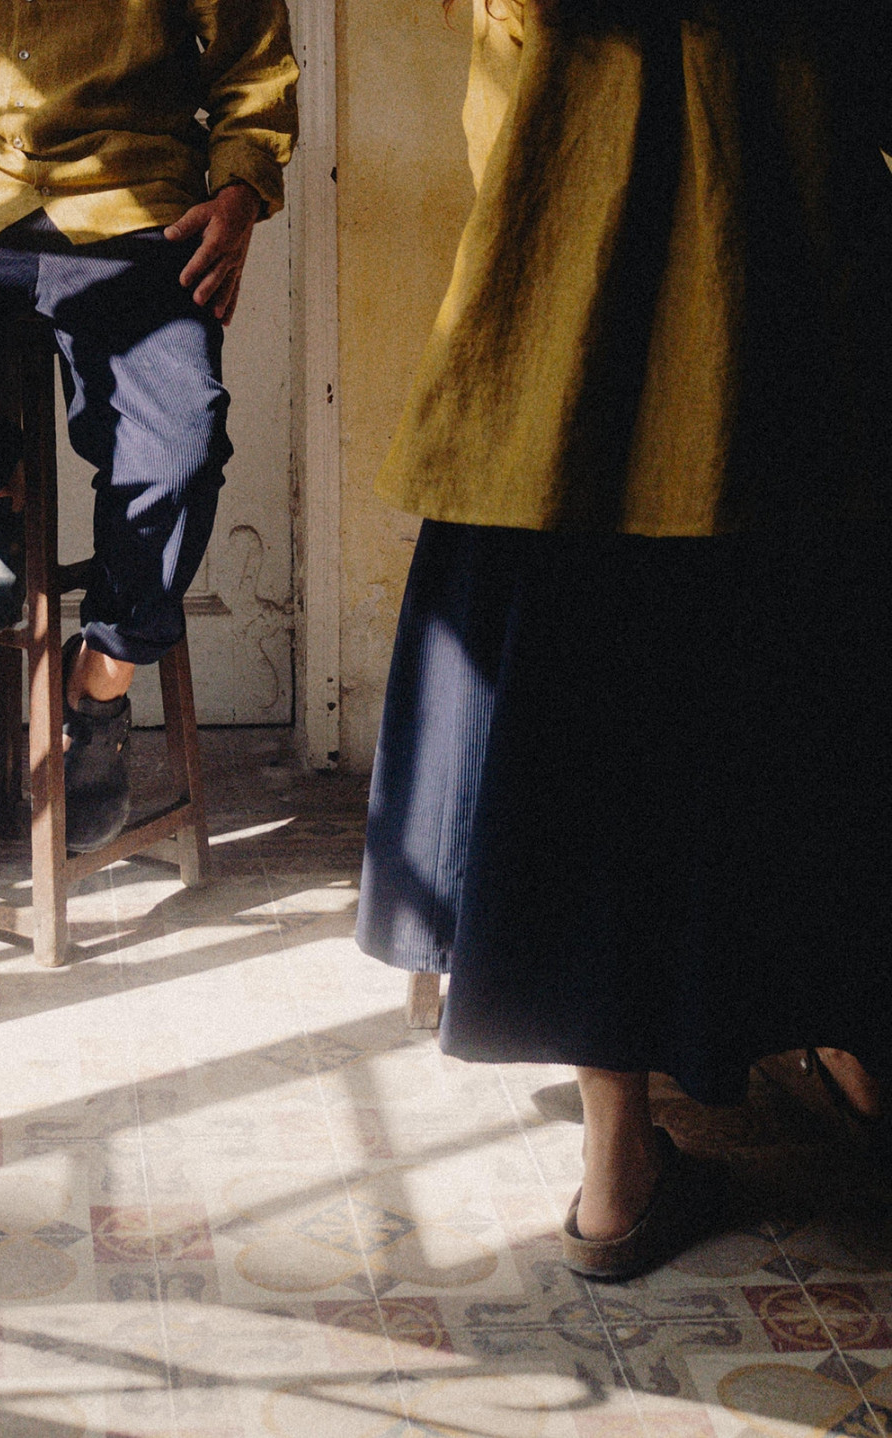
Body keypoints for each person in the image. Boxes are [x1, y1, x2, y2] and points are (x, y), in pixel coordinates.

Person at [356, 0, 892, 1279]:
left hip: (570, 303)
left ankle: (620, 1168)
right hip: (781, 300)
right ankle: (850, 1057)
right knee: (804, 682)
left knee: (584, 708)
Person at [0, 1, 298, 851]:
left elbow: (254, 60)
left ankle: (99, 687)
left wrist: (240, 193)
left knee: (183, 436)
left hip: (129, 200)